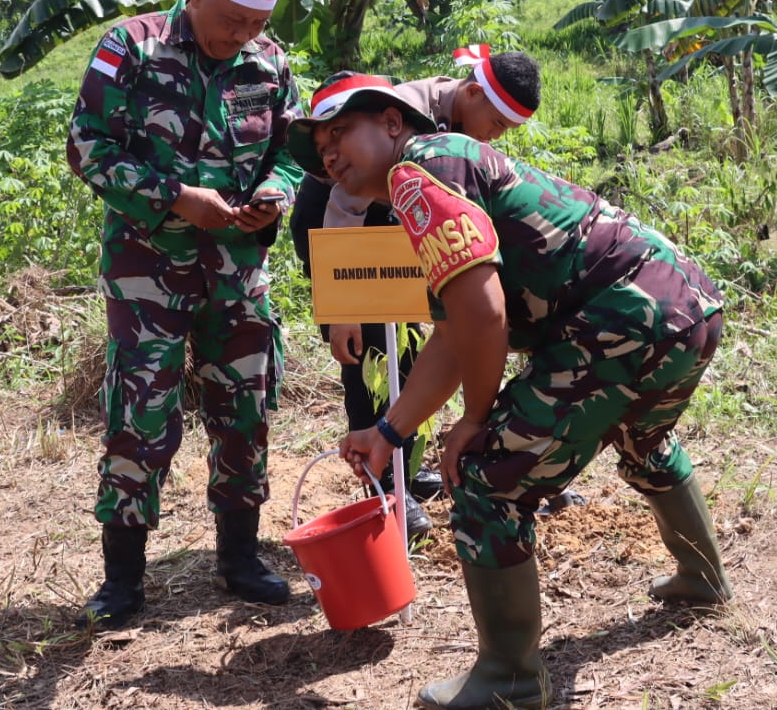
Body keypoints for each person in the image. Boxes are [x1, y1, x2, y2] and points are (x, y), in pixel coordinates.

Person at [289, 77, 731, 710]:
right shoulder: (441, 168)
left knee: (485, 477)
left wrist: (475, 421)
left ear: (391, 122)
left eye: (339, 133)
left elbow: (485, 315)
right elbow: (453, 333)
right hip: (684, 307)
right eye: (320, 147)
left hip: (624, 320)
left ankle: (511, 679)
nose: (329, 153)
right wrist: (389, 432)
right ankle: (701, 578)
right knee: (642, 437)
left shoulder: (417, 173)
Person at [68, 0, 305, 630]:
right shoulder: (132, 49)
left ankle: (240, 558)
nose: (243, 36)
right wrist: (175, 197)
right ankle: (123, 581)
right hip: (149, 270)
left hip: (238, 272)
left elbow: (294, 153)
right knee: (140, 414)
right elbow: (87, 146)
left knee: (245, 409)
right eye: (232, 20)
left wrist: (275, 192)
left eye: (257, 23)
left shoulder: (270, 62)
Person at [287, 47, 544, 538]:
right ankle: (384, 486)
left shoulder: (454, 133)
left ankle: (404, 462)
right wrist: (342, 307)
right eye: (495, 123)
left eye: (505, 131)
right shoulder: (399, 117)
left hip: (395, 228)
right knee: (369, 353)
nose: (494, 135)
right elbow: (345, 202)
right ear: (472, 93)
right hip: (339, 229)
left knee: (407, 348)